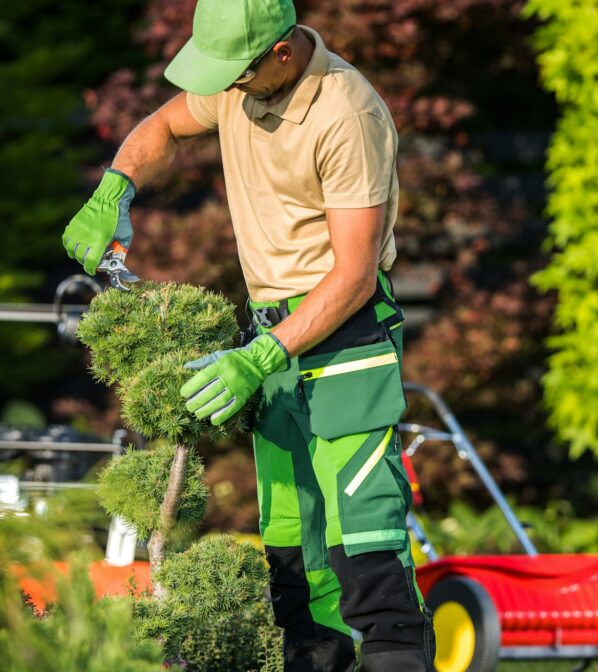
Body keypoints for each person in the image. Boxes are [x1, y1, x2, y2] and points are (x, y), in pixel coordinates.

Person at [60, 0, 435, 669]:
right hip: (271, 344)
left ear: (282, 53)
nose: (223, 88)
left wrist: (257, 357)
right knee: (292, 553)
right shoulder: (240, 85)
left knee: (364, 544)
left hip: (344, 344)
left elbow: (354, 274)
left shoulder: (346, 112)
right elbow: (163, 126)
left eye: (235, 73)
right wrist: (115, 187)